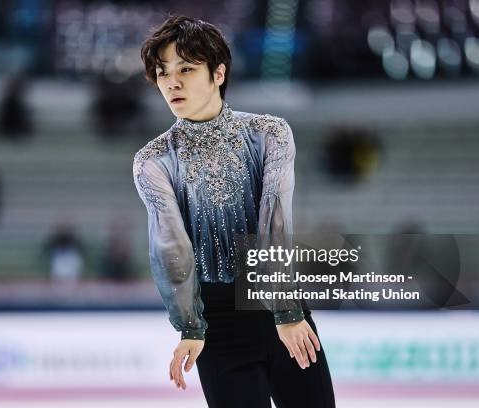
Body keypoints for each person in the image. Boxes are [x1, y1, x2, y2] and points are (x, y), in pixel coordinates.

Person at [133, 16, 335, 407]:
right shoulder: (153, 161)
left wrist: (286, 311)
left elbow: (273, 221)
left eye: (186, 69)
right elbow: (171, 247)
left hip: (281, 306)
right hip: (219, 324)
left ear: (218, 72)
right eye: (162, 73)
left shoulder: (269, 133)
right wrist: (190, 325)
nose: (171, 82)